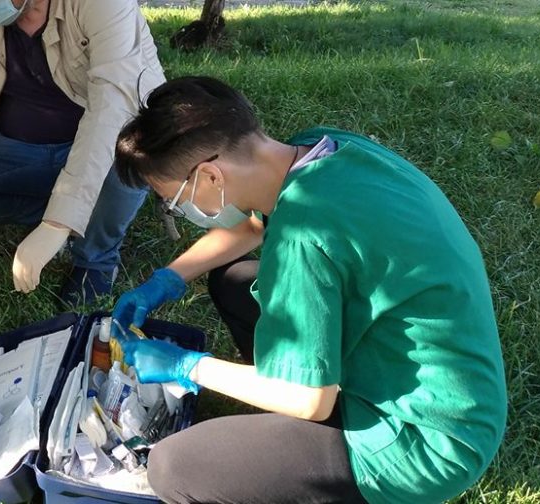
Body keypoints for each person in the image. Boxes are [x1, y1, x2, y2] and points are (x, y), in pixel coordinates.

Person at [110, 76, 508, 503]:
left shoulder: (301, 239)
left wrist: (187, 366)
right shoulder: (320, 149)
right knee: (233, 282)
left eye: (172, 200)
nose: (177, 210)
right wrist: (167, 279)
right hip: (461, 394)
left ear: (210, 175)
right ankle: (295, 414)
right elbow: (251, 226)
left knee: (172, 467)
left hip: (423, 442)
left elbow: (308, 399)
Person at [0, 0, 166, 306]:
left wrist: (58, 223)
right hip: (19, 148)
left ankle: (95, 258)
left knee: (133, 149)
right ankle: (72, 212)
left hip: (102, 144)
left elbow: (112, 111)